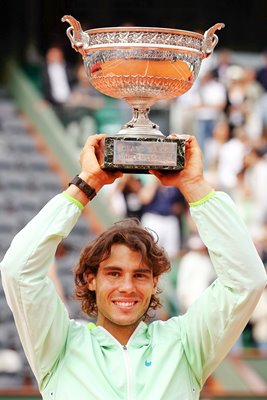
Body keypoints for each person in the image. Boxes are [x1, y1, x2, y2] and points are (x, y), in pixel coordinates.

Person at [1, 134, 266, 399]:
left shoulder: (185, 344)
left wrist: (194, 185)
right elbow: (18, 270)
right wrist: (87, 184)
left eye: (140, 275)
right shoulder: (59, 346)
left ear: (154, 283)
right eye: (114, 273)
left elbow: (246, 281)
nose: (127, 287)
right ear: (91, 279)